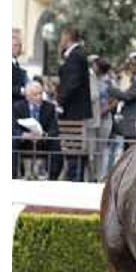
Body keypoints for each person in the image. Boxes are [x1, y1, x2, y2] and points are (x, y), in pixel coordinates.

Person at [58, 26, 93, 181]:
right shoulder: (78, 54)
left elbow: (72, 82)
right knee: (74, 145)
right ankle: (74, 175)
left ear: (67, 37)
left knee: (73, 145)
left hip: (73, 110)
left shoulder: (75, 56)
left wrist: (60, 101)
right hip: (76, 109)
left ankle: (74, 177)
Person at [12, 81, 63, 180]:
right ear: (27, 96)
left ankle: (53, 178)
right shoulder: (17, 107)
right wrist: (23, 135)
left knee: (55, 143)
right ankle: (12, 177)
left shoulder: (49, 107)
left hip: (43, 140)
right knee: (12, 142)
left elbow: (54, 129)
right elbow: (13, 127)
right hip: (25, 141)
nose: (39, 97)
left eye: (40, 93)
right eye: (35, 94)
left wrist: (44, 135)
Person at [109, 53, 136, 152]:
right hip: (130, 120)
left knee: (132, 151)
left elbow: (128, 96)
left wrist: (111, 89)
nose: (130, 67)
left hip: (134, 121)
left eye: (132, 64)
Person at [12, 31, 28, 104]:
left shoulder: (16, 63)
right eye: (16, 45)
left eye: (20, 45)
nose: (19, 49)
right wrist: (22, 90)